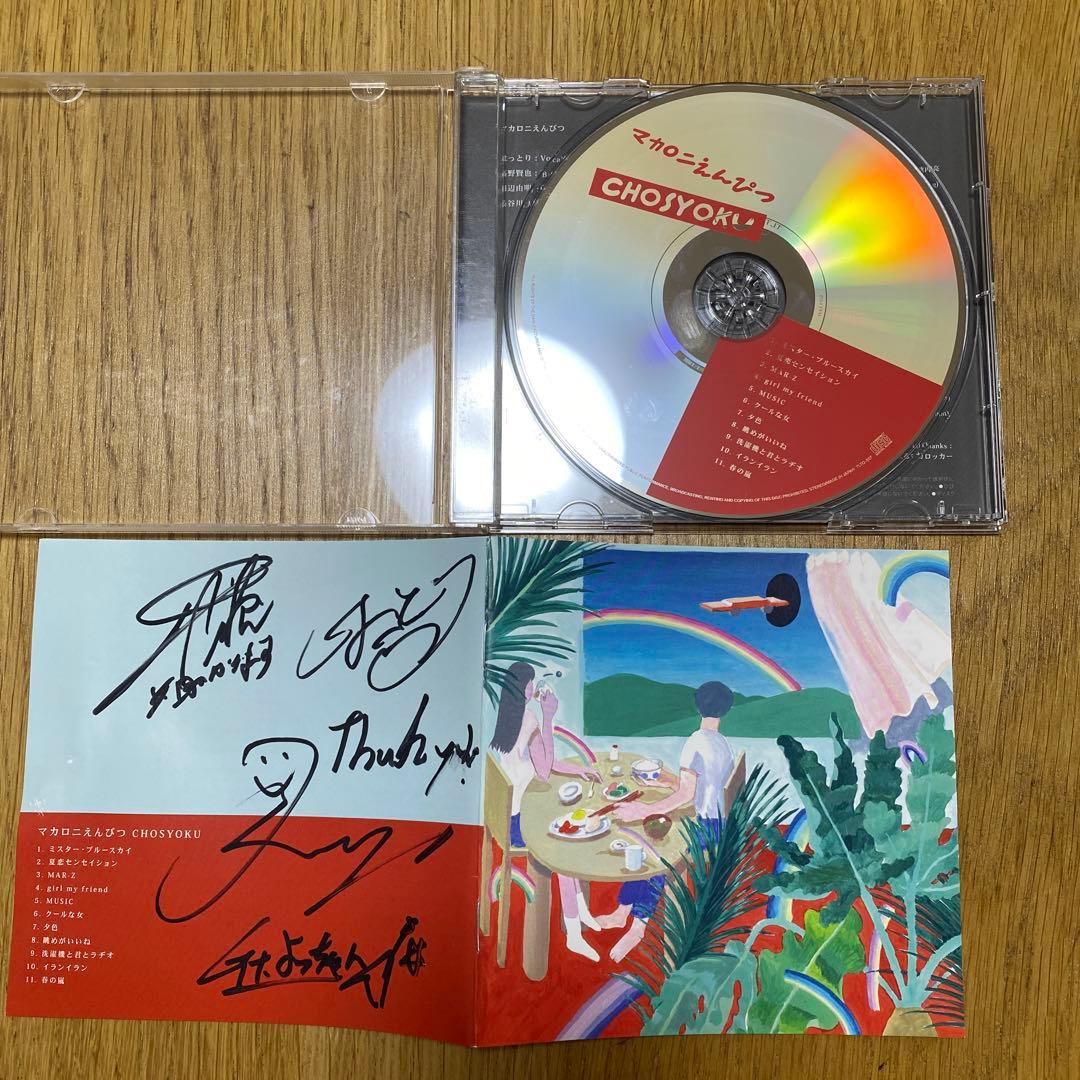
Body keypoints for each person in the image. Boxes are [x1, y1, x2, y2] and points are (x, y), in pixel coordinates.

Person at [595, 680, 737, 963]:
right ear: (726, 709)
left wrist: (643, 810)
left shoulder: (695, 741)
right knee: (649, 838)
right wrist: (665, 781)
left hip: (705, 827)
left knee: (655, 849)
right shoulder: (722, 743)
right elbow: (701, 785)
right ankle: (622, 911)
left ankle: (638, 925)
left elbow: (686, 794)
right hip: (717, 823)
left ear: (697, 705)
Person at [488, 661, 604, 960]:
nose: (533, 688)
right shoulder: (528, 719)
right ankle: (574, 934)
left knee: (564, 831)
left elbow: (538, 762)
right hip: (518, 824)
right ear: (522, 688)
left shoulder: (507, 715)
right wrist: (548, 717)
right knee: (563, 847)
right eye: (530, 683)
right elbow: (542, 771)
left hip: (507, 814)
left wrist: (577, 770)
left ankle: (581, 912)